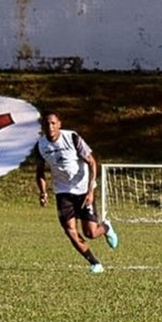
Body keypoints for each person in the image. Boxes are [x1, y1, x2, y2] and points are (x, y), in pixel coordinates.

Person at [34, 111, 119, 273]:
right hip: (62, 192)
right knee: (70, 229)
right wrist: (43, 192)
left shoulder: (72, 138)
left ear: (60, 124)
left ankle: (106, 228)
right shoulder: (40, 146)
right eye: (46, 124)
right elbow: (40, 172)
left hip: (83, 189)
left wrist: (90, 190)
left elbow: (92, 162)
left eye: (53, 123)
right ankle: (95, 263)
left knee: (91, 233)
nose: (50, 127)